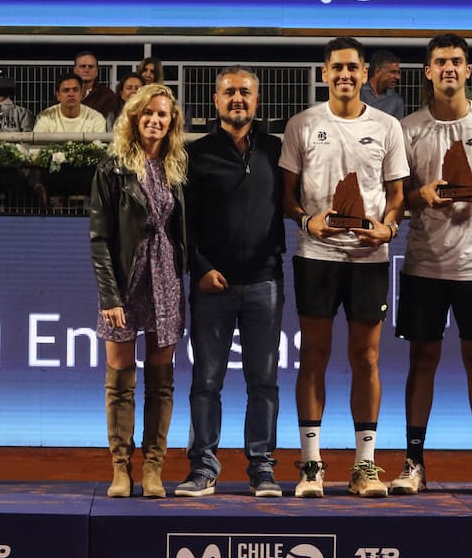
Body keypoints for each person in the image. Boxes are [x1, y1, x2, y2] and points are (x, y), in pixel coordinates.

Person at [389, 33, 472, 497]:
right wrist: (417, 196)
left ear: (469, 70)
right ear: (428, 72)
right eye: (441, 62)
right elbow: (398, 196)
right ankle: (413, 464)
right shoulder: (406, 129)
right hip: (425, 263)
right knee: (421, 360)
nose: (449, 68)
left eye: (457, 61)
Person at [280, 37, 409, 498]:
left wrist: (388, 230)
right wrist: (305, 220)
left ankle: (365, 466)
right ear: (324, 73)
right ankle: (312, 466)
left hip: (369, 258)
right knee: (313, 356)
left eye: (352, 68)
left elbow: (396, 198)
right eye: (337, 68)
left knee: (367, 358)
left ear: (362, 73)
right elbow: (287, 195)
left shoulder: (388, 126)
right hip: (316, 257)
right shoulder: (302, 125)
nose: (345, 76)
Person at [173, 65, 286, 499]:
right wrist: (200, 268)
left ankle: (261, 468)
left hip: (264, 282)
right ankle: (203, 468)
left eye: (245, 93)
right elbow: (183, 223)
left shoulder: (276, 151)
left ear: (256, 101)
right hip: (212, 286)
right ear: (215, 100)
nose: (237, 99)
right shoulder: (195, 154)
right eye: (229, 92)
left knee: (264, 382)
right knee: (206, 382)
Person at [89, 83, 188, 498]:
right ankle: (120, 469)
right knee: (120, 381)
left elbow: (185, 232)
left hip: (165, 278)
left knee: (161, 381)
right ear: (133, 117)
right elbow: (99, 238)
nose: (155, 120)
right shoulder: (112, 167)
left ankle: (152, 468)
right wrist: (109, 296)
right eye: (148, 113)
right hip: (125, 280)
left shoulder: (179, 167)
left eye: (163, 114)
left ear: (172, 122)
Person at [33, 73, 107, 133]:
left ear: (81, 94)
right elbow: (37, 149)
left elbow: (99, 149)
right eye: (66, 90)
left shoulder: (96, 118)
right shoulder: (45, 117)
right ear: (58, 95)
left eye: (75, 90)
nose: (71, 94)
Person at [360, 50, 404, 120]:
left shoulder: (396, 100)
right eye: (392, 72)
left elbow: (397, 128)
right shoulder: (358, 94)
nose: (398, 77)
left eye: (398, 72)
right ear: (377, 72)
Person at [74, 51, 118, 116]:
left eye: (90, 67)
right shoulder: (65, 91)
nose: (86, 70)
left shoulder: (108, 96)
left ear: (97, 72)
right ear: (75, 70)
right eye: (82, 66)